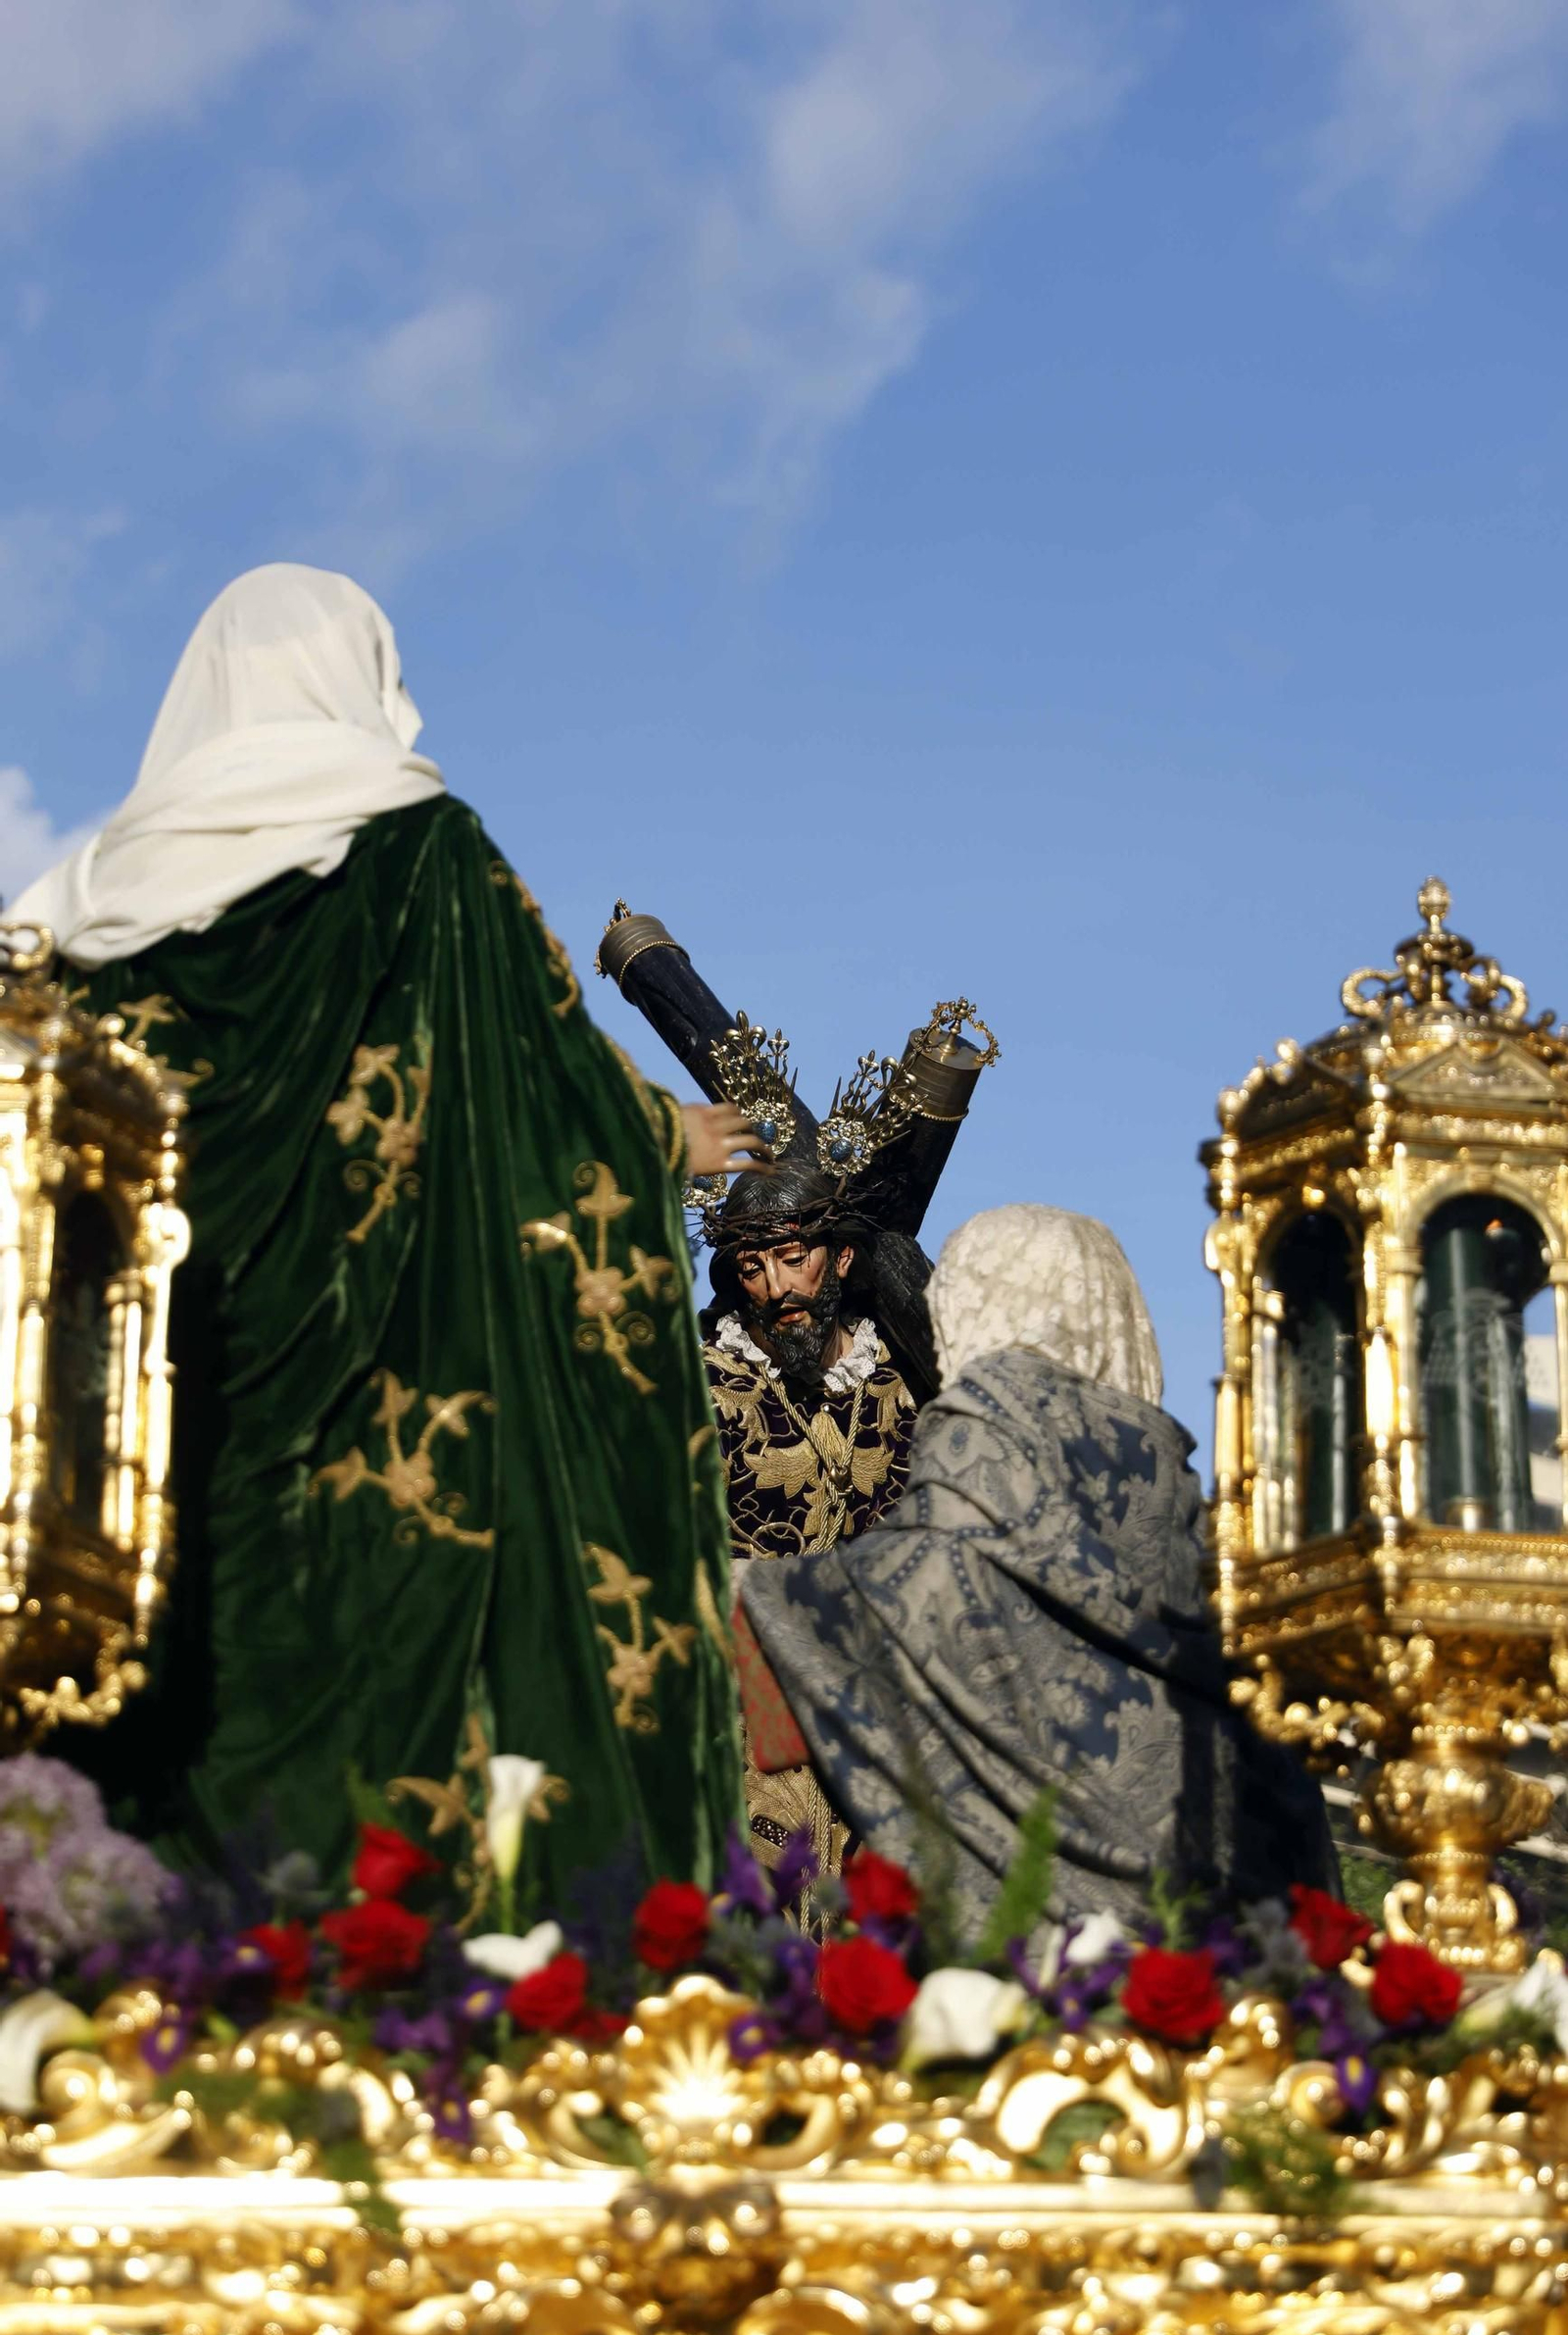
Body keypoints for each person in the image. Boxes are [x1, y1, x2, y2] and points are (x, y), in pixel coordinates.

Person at [13, 562, 760, 1904]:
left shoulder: (79, 914)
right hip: (394, 1438)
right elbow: (543, 1087)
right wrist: (663, 1137)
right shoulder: (423, 853)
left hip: (151, 1442)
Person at [740, 1204, 1336, 1938]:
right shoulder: (1204, 1540)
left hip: (1014, 1973)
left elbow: (811, 1622)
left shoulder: (968, 1509)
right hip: (1207, 1962)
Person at [702, 1167, 917, 1871]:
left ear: (842, 1256)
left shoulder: (905, 1387)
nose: (776, 1287)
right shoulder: (700, 1387)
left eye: (794, 1259)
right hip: (745, 1710)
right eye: (752, 1268)